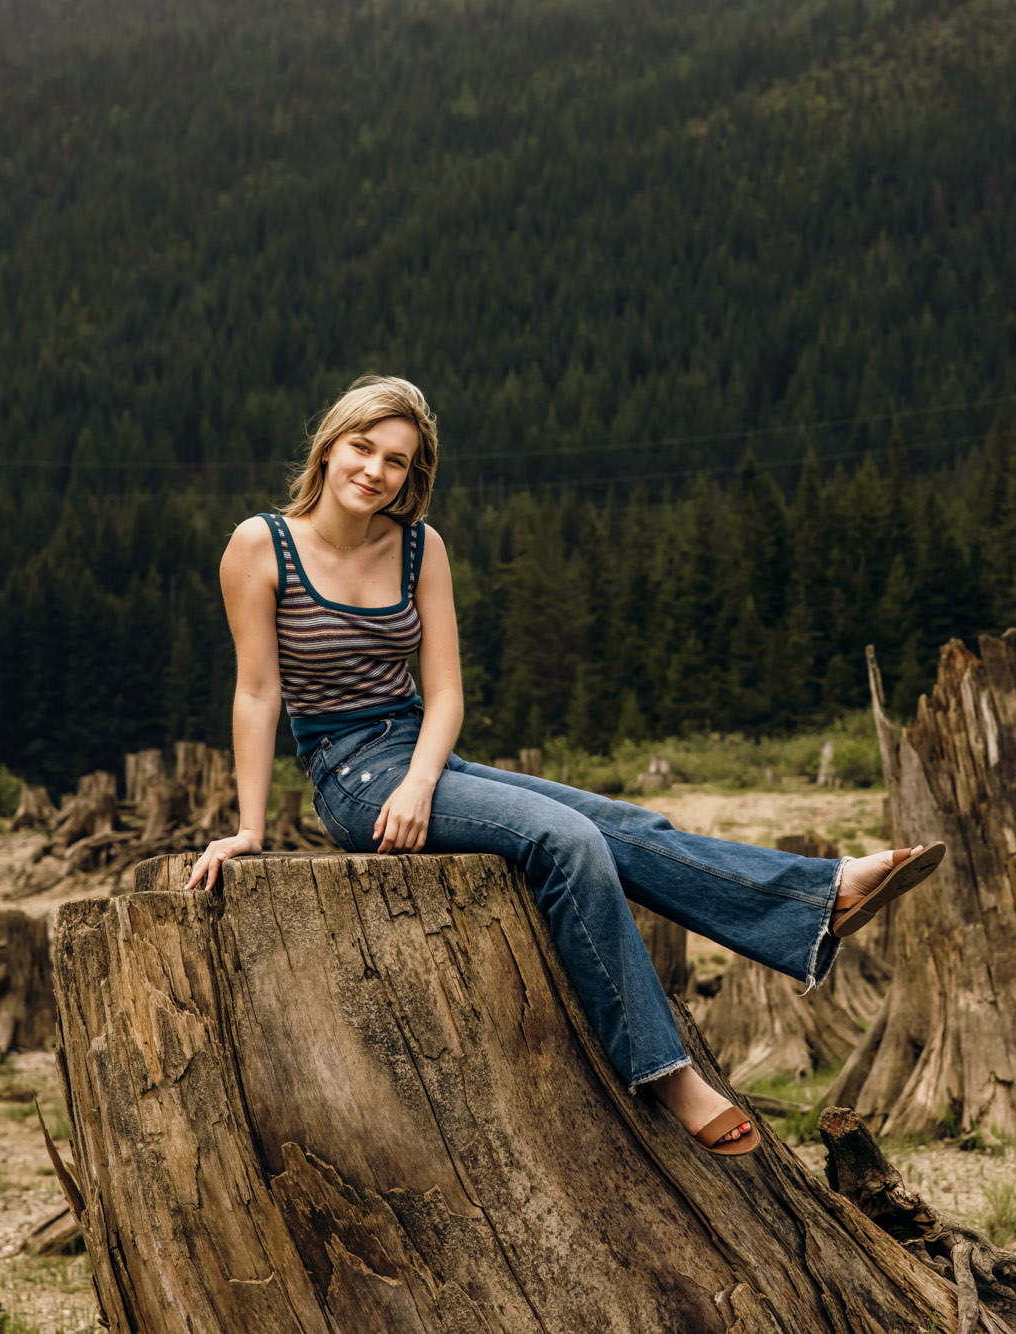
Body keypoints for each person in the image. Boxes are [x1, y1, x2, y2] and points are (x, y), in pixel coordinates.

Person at [183, 374, 942, 1156]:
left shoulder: (418, 546)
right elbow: (256, 692)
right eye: (363, 448)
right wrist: (246, 827)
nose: (376, 471)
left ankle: (819, 899)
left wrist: (421, 779)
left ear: (416, 476)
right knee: (566, 840)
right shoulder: (260, 544)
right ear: (330, 445)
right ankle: (665, 1072)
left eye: (398, 462)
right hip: (352, 777)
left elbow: (444, 693)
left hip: (422, 756)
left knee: (615, 821)